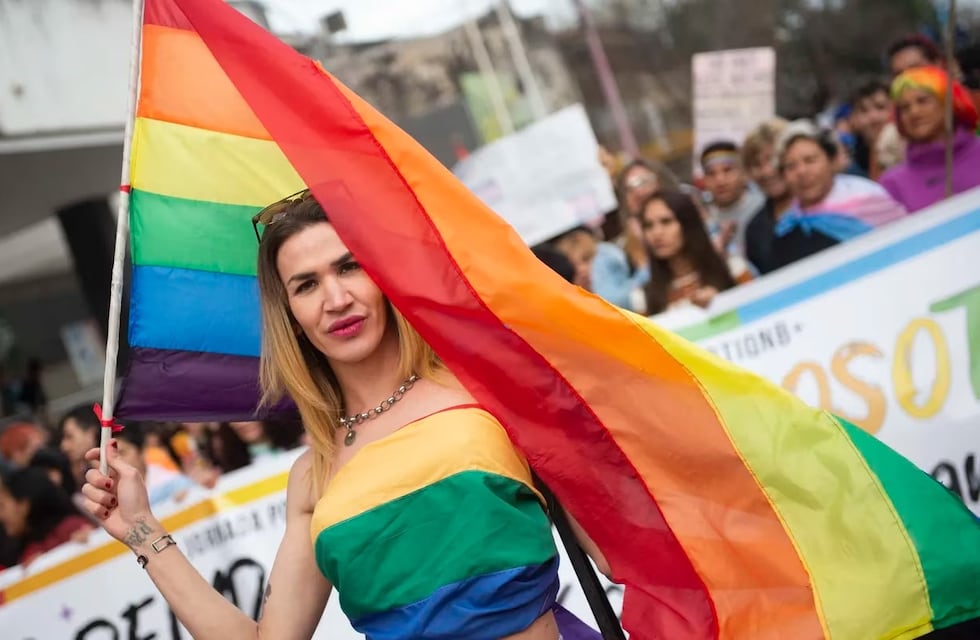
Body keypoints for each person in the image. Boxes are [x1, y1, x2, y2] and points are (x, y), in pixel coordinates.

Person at [79, 191, 606, 639]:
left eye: (349, 266)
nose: (335, 298)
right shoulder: (314, 476)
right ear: (290, 315)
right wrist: (142, 531)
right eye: (305, 285)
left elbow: (621, 551)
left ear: (382, 274)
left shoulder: (493, 393)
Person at [773, 120, 907, 269]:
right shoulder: (786, 228)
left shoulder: (869, 199)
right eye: (791, 166)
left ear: (832, 160)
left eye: (810, 160)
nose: (802, 172)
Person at [880, 66, 980, 212]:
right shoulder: (892, 184)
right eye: (904, 108)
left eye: (923, 101)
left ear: (948, 103)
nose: (914, 112)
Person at [640, 191, 749, 315]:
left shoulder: (733, 269)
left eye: (666, 221)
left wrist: (720, 302)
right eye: (648, 225)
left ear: (688, 224)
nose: (657, 233)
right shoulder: (643, 297)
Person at [0, 466, 91, 566]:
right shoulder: (22, 553)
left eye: (2, 506)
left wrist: (89, 542)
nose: (1, 516)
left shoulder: (73, 529)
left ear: (24, 506)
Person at [741, 118, 793, 275]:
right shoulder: (755, 230)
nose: (767, 172)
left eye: (772, 159)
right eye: (756, 165)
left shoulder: (824, 204)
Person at [698, 141, 766, 263]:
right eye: (711, 173)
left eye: (727, 170)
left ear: (743, 172)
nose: (720, 180)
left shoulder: (764, 205)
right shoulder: (704, 225)